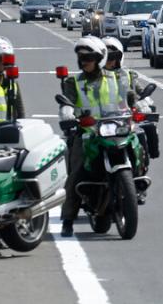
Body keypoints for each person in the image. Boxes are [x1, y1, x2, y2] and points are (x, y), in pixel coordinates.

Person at [59, 36, 127, 237]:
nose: (84, 61)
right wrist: (68, 114)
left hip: (114, 127)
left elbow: (127, 97)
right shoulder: (73, 82)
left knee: (136, 144)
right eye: (81, 58)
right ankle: (68, 219)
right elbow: (68, 103)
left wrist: (139, 104)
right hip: (87, 132)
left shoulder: (115, 78)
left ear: (99, 58)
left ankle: (135, 184)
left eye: (89, 57)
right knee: (76, 171)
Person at [102, 36, 158, 205]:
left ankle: (139, 178)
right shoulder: (93, 78)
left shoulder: (129, 75)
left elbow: (142, 94)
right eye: (107, 57)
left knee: (143, 132)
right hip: (100, 123)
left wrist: (144, 104)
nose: (110, 61)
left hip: (124, 121)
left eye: (114, 57)